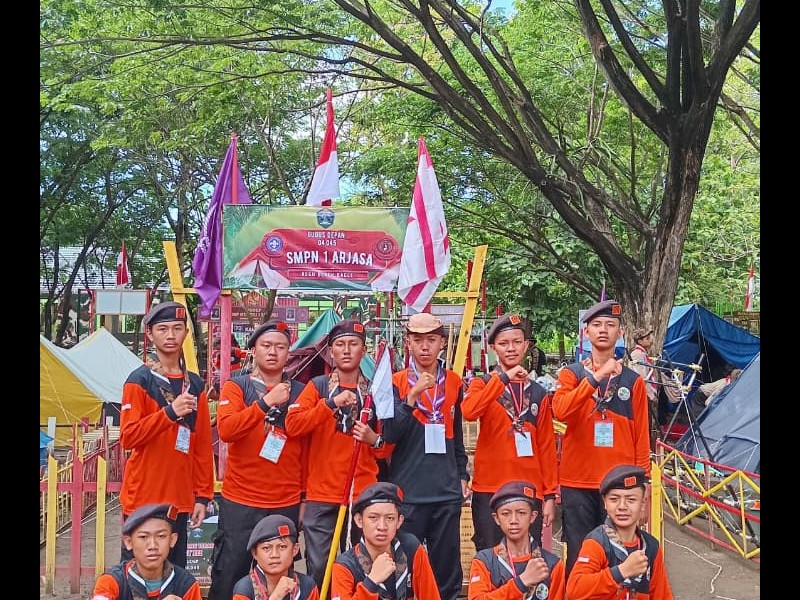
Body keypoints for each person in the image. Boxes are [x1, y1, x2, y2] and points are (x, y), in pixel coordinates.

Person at [284, 319, 391, 591]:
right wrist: (329, 404)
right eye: (340, 345)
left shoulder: (375, 392)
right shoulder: (318, 387)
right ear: (330, 352)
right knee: (320, 567)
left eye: (353, 344)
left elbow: (388, 447)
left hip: (363, 493)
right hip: (322, 493)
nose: (346, 350)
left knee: (364, 567)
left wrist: (373, 439)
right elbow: (293, 425)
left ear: (363, 351)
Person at [207, 320, 309, 600]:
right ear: (253, 350)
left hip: (285, 499)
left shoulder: (302, 391)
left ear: (289, 353)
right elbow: (227, 430)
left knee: (281, 576)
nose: (273, 352)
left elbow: (308, 449)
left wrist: (304, 497)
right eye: (266, 345)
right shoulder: (236, 387)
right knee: (230, 571)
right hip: (241, 499)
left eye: (280, 347)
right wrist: (265, 403)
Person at [551, 299, 651, 577]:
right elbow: (560, 411)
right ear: (586, 332)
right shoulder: (571, 374)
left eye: (610, 325)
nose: (603, 330)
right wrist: (595, 378)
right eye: (596, 325)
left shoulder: (633, 381)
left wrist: (643, 485)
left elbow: (642, 437)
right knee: (579, 554)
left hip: (619, 484)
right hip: (577, 481)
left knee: (618, 554)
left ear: (621, 332)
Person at [381, 312, 470, 600]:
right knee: (403, 568)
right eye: (418, 340)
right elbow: (390, 433)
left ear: (442, 343)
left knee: (447, 570)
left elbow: (456, 434)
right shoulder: (396, 382)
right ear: (408, 342)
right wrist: (412, 397)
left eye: (431, 340)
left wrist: (462, 474)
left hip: (445, 491)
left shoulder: (454, 382)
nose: (424, 346)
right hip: (408, 492)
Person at [119, 301, 215, 568]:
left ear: (186, 333)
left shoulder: (194, 384)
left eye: (177, 328)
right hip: (143, 497)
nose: (170, 335)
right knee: (136, 572)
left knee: (175, 572)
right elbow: (128, 436)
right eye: (162, 329)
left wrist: (202, 496)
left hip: (180, 499)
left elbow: (202, 445)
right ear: (150, 334)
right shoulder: (139, 380)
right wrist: (169, 413)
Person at [462, 313, 559, 551]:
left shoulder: (537, 392)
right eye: (504, 343)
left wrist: (549, 495)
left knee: (528, 556)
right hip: (490, 487)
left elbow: (546, 446)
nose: (511, 348)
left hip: (529, 488)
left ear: (526, 345)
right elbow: (469, 411)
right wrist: (504, 378)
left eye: (517, 342)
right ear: (493, 347)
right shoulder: (483, 384)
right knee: (490, 554)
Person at [566, 465, 674, 599]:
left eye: (631, 500)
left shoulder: (651, 548)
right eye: (614, 499)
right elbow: (575, 589)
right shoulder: (597, 543)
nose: (622, 507)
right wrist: (621, 571)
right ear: (605, 503)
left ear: (643, 503)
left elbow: (661, 595)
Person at [330, 482, 442, 600]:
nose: (382, 526)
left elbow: (431, 596)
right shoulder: (345, 566)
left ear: (399, 521)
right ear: (359, 520)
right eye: (373, 517)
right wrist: (371, 582)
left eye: (390, 518)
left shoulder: (411, 549)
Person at [467, 480, 565, 600]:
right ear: (496, 518)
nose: (513, 520)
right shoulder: (484, 561)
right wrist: (521, 583)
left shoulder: (553, 565)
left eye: (521, 513)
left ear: (533, 516)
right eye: (505, 514)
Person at [90, 503, 202, 600]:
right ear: (129, 542)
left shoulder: (186, 585)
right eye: (143, 537)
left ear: (172, 540)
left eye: (161, 536)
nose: (153, 546)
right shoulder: (111, 582)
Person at [232, 514, 319, 600]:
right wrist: (277, 596)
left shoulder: (307, 586)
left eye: (282, 547)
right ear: (255, 553)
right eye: (266, 548)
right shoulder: (244, 590)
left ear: (295, 550)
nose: (274, 555)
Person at [628, 326, 660, 446]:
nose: (650, 340)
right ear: (640, 341)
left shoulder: (643, 354)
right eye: (647, 338)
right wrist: (651, 395)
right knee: (643, 422)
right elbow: (642, 378)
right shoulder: (638, 354)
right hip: (642, 394)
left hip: (645, 393)